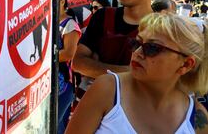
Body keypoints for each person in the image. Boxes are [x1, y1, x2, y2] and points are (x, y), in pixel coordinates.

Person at [66, 13, 208, 134]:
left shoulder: (197, 118)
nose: (137, 53)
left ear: (186, 64)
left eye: (152, 48)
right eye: (136, 43)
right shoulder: (108, 89)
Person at [72, 0, 161, 79]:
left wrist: (97, 67)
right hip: (97, 97)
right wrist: (131, 72)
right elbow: (78, 63)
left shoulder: (162, 28)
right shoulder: (102, 16)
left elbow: (156, 75)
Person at [57, 0, 81, 134]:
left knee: (56, 125)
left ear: (62, 1)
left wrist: (45, 58)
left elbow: (68, 54)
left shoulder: (69, 24)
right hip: (50, 84)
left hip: (64, 85)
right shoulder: (50, 22)